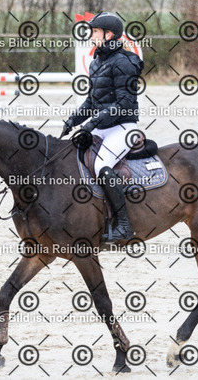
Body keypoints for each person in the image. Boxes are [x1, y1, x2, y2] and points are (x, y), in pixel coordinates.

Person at [60, 12, 144, 242]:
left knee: (101, 165)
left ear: (109, 35)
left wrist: (91, 124)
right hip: (103, 125)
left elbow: (124, 103)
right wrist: (72, 121)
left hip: (123, 126)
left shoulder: (124, 62)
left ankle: (123, 225)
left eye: (95, 31)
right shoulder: (97, 62)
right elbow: (91, 102)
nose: (91, 36)